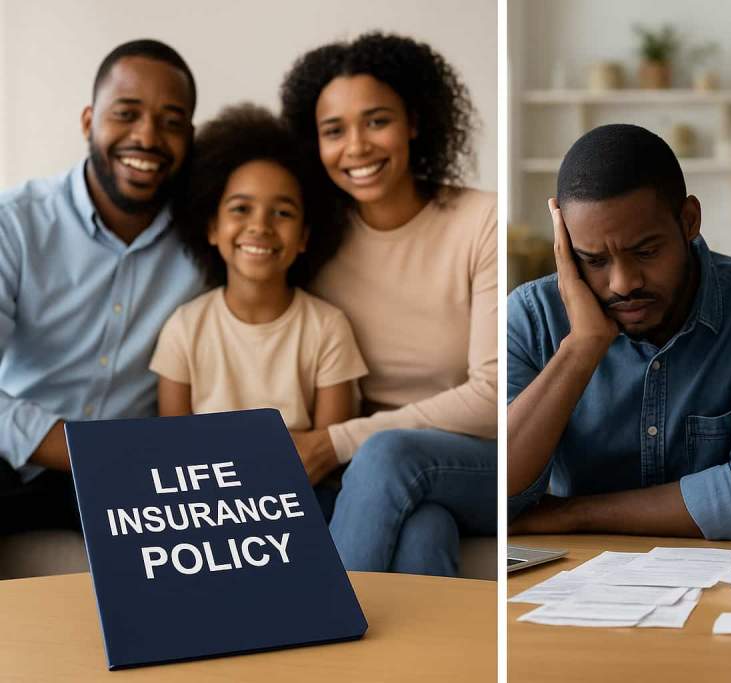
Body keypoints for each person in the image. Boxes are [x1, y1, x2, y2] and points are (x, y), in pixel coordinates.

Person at [507, 124, 731, 540]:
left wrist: (572, 514)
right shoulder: (533, 316)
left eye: (646, 252)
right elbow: (497, 497)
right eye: (594, 260)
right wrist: (581, 347)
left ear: (689, 220)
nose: (623, 283)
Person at [279, 32, 496, 576]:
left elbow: (495, 397)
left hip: (486, 459)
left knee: (389, 454)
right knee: (424, 532)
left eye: (377, 121)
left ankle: (321, 641)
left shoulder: (479, 222)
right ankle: (430, 666)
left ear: (415, 123)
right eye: (334, 131)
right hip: (381, 478)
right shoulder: (317, 242)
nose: (356, 147)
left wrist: (336, 442)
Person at [0, 40, 203, 534]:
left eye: (171, 122)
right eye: (126, 113)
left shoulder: (210, 241)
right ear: (89, 121)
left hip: (137, 480)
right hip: (16, 457)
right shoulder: (16, 223)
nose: (147, 137)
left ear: (190, 138)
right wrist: (82, 450)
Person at [149, 105, 367, 440]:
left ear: (305, 237)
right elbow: (174, 449)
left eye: (282, 212)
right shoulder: (184, 328)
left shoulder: (327, 329)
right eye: (240, 209)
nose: (260, 226)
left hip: (304, 488)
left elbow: (326, 454)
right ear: (211, 228)